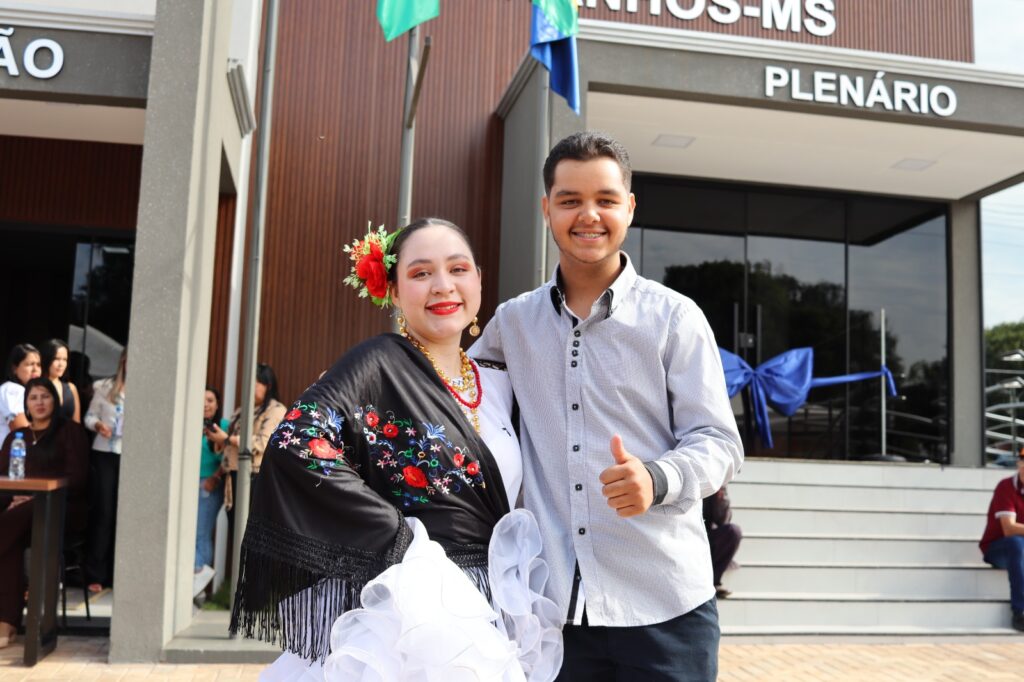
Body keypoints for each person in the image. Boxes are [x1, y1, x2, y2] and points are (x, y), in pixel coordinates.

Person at [230, 219, 561, 680]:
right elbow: (294, 441)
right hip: (410, 608)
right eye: (421, 273)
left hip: (493, 604)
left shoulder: (502, 382)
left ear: (479, 281)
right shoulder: (378, 363)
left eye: (458, 268)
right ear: (393, 291)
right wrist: (399, 538)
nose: (443, 285)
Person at [471, 131, 744, 681]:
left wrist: (656, 477)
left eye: (605, 200)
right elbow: (458, 398)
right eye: (570, 200)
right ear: (546, 208)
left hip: (665, 607)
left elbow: (720, 442)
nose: (588, 215)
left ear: (630, 208)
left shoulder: (675, 318)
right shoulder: (512, 323)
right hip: (552, 614)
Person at [0, 378, 89, 648]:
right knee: (10, 545)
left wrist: (34, 495)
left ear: (55, 400)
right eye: (33, 397)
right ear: (25, 404)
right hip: (20, 516)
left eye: (45, 396)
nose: (39, 402)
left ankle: (6, 623)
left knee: (9, 525)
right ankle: (7, 624)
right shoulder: (19, 437)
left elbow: (78, 478)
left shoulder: (70, 432)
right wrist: (15, 496)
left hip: (59, 510)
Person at [208, 363, 286, 525]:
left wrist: (227, 439)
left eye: (255, 383)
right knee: (235, 529)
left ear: (268, 386)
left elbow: (263, 443)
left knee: (250, 528)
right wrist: (217, 439)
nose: (249, 388)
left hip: (255, 476)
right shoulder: (241, 410)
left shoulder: (276, 410)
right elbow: (227, 445)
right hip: (233, 476)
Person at [83, 348, 127, 594]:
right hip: (104, 453)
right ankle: (96, 572)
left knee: (126, 513)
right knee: (103, 511)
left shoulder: (148, 387)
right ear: (123, 360)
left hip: (132, 455)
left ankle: (119, 572)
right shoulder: (105, 387)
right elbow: (89, 416)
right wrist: (98, 424)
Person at [980, 447, 1024, 633]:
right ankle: (1020, 611)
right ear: (1019, 464)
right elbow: (1008, 528)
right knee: (1016, 542)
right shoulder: (1006, 487)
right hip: (998, 548)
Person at [194, 386, 228, 597]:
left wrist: (215, 478)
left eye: (210, 400)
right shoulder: (190, 421)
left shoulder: (222, 426)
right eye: (202, 399)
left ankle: (197, 586)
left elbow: (229, 456)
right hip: (187, 484)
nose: (206, 404)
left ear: (217, 404)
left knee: (201, 533)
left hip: (208, 484)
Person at [704, 485, 742, 599]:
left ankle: (713, 582)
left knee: (733, 531)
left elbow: (723, 522)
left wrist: (721, 500)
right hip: (680, 537)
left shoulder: (713, 482)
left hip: (703, 540)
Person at [0, 343, 42, 445]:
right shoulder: (13, 390)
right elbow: (21, 430)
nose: (35, 369)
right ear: (15, 369)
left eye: (38, 364)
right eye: (29, 364)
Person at [40, 339, 81, 423]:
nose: (61, 364)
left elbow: (76, 423)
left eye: (65, 359)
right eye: (56, 359)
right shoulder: (35, 387)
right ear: (46, 359)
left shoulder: (71, 388)